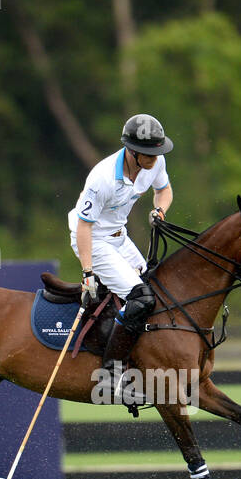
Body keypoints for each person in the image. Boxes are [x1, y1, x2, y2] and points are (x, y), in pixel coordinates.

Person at [69, 114, 174, 403]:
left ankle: (141, 361)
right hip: (93, 240)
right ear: (132, 151)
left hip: (119, 236)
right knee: (140, 297)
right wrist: (88, 272)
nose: (155, 159)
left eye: (157, 152)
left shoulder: (156, 163)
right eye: (149, 154)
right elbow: (83, 226)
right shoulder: (101, 178)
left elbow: (163, 191)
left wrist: (159, 211)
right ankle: (110, 376)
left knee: (155, 288)